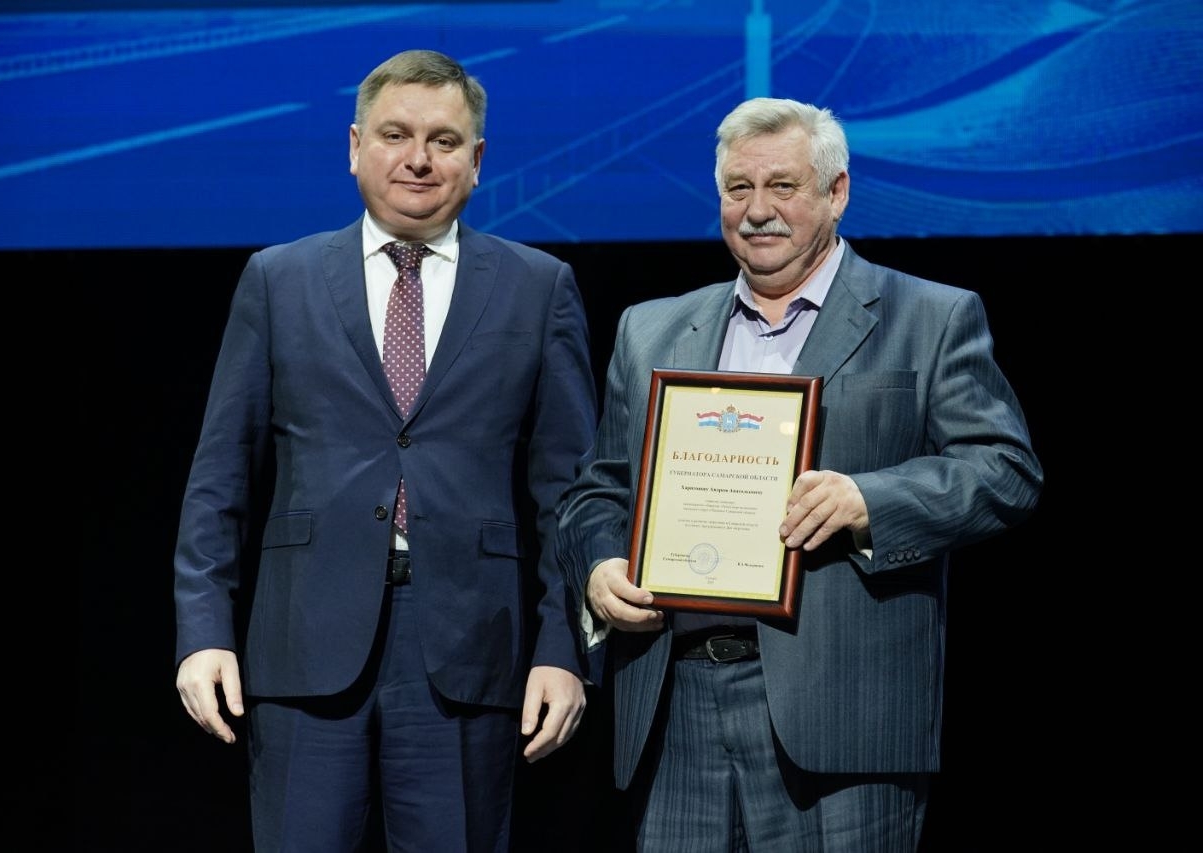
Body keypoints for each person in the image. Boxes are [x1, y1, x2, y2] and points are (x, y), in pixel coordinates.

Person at [556, 97, 1044, 851]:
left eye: (782, 186)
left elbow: (1006, 470)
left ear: (836, 192)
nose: (758, 211)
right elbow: (600, 488)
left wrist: (868, 499)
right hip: (674, 710)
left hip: (843, 717)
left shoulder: (930, 316)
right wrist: (598, 569)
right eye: (738, 189)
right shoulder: (651, 328)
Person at [173, 49, 597, 852]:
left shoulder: (538, 287)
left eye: (444, 140)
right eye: (396, 134)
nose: (418, 158)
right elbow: (219, 477)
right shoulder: (278, 279)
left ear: (477, 160)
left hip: (471, 650)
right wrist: (203, 631)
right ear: (354, 146)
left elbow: (570, 495)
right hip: (302, 646)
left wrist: (563, 648)